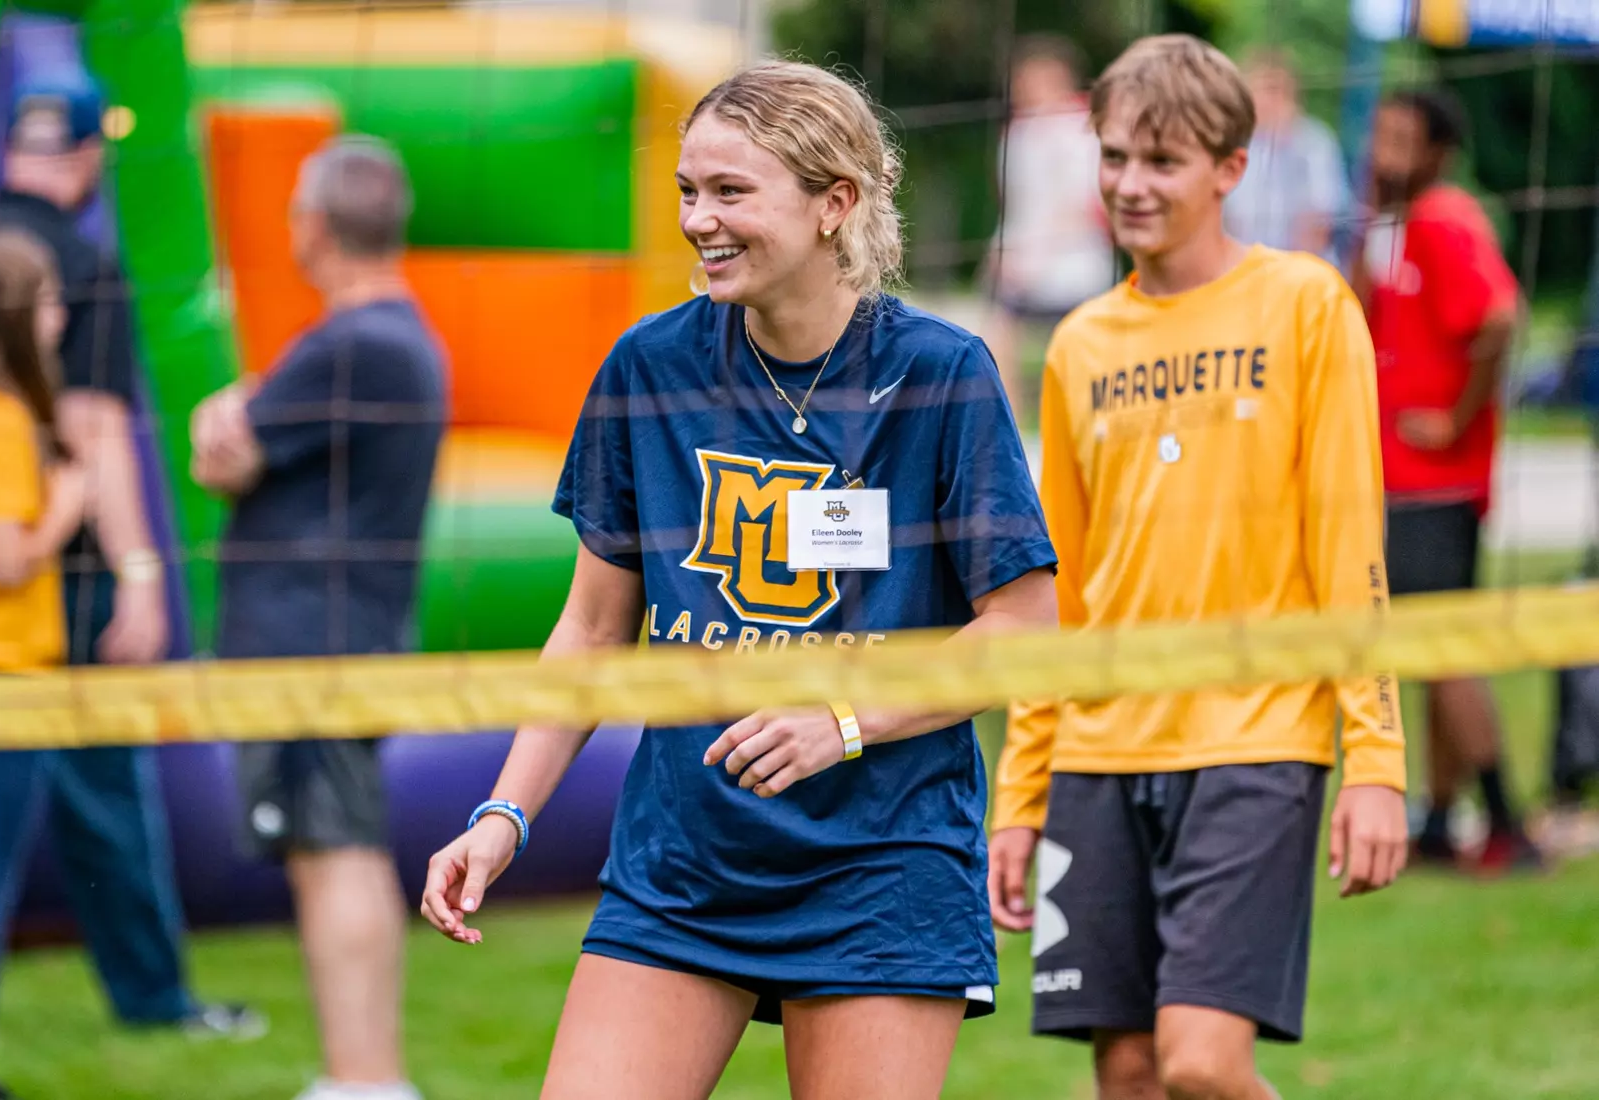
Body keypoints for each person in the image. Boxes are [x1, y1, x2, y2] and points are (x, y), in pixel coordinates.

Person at [420, 60, 1060, 1100]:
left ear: (833, 203)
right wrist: (503, 816)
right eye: (686, 190)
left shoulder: (942, 374)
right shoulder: (650, 366)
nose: (698, 220)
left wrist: (839, 717)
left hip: (880, 860)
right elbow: (588, 629)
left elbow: (1026, 629)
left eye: (730, 191)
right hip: (685, 860)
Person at [990, 36, 1408, 1100]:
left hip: (1254, 737)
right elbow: (1063, 586)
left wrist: (1374, 761)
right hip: (1096, 748)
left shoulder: (1306, 304)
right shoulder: (1080, 343)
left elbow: (1348, 546)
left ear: (1232, 167)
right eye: (1115, 157)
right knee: (1127, 1068)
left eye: (1162, 162)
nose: (1130, 185)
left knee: (1200, 1061)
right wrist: (1021, 788)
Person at [0, 74, 262, 1037]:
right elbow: (95, 434)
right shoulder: (82, 265)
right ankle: (157, 1000)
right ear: (89, 155)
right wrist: (140, 575)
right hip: (54, 569)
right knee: (105, 785)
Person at [191, 135, 446, 1100]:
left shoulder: (352, 343)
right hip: (338, 634)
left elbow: (223, 454)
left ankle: (366, 1080)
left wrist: (224, 415)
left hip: (315, 643)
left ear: (313, 224)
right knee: (330, 848)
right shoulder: (385, 337)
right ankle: (360, 1075)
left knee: (334, 850)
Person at [1353, 87, 1541, 874]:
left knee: (1443, 644)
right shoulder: (1396, 224)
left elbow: (1501, 316)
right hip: (1402, 477)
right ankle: (1436, 819)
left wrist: (1458, 419)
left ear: (1437, 152)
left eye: (1402, 139)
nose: (1384, 152)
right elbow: (1358, 317)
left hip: (1437, 481)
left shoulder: (1443, 218)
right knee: (1425, 647)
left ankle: (1506, 822)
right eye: (1379, 134)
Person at [0, 223, 88, 1100]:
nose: (60, 313)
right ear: (7, 315)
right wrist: (70, 502)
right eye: (44, 299)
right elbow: (7, 557)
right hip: (0, 682)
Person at [985, 34, 1112, 419]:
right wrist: (1001, 250)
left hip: (1076, 264)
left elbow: (1087, 206)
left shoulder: (1085, 131)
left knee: (1086, 353)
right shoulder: (1017, 135)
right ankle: (1011, 427)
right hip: (1023, 263)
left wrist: (1032, 255)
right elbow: (1017, 206)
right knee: (994, 335)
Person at [1223, 49, 1349, 265]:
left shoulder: (1314, 142)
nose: (1268, 101)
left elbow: (1318, 226)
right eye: (1260, 90)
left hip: (1299, 272)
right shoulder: (1232, 143)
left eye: (1276, 91)